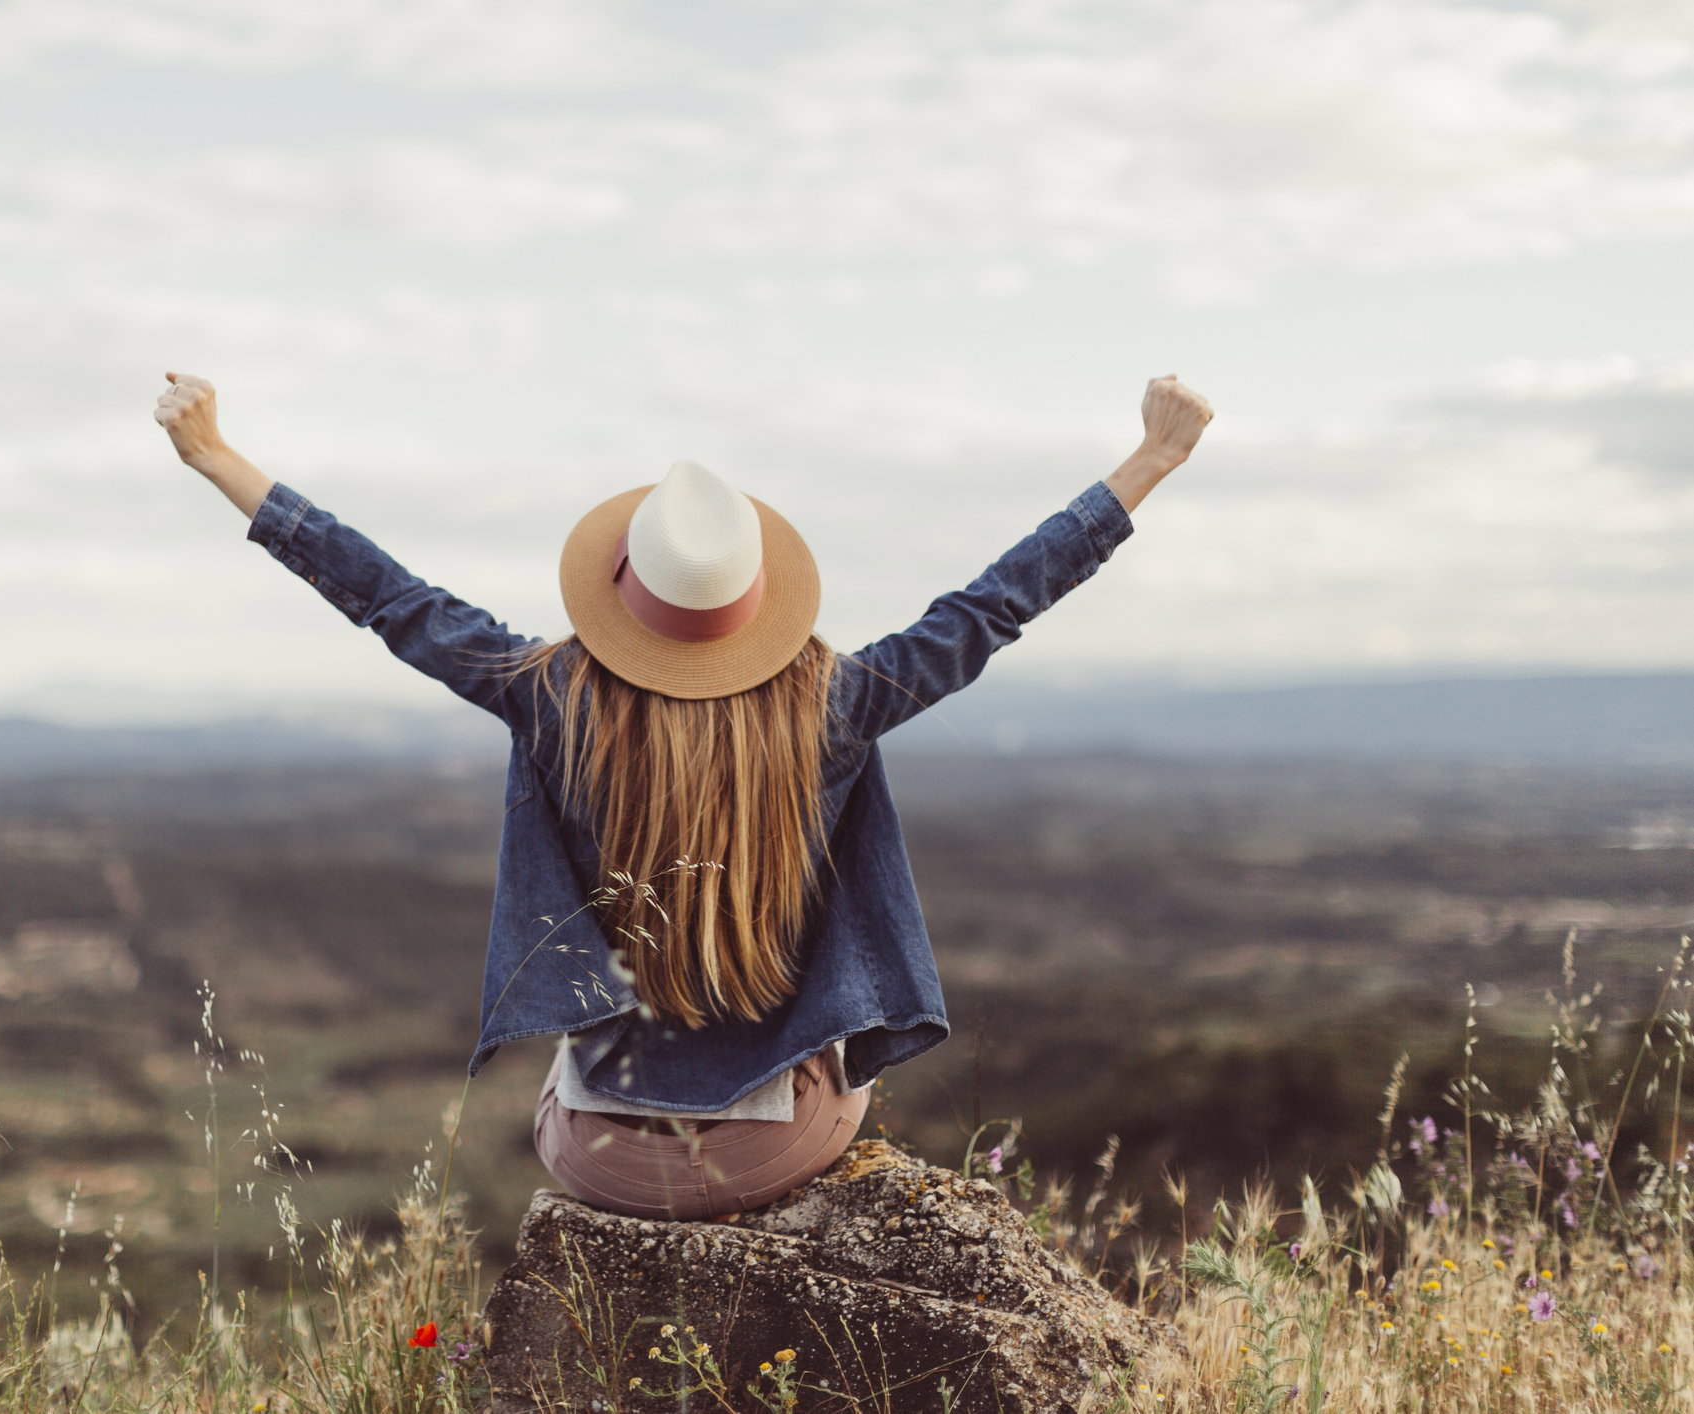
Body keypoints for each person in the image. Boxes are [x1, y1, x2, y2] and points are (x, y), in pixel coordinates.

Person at [154, 372, 1213, 1220]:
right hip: (773, 1150)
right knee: (841, 1069)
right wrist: (1151, 460)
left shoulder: (549, 697)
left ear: (622, 591)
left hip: (599, 1155)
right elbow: (989, 608)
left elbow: (387, 596)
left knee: (574, 1067)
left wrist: (215, 457)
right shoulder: (834, 706)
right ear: (758, 608)